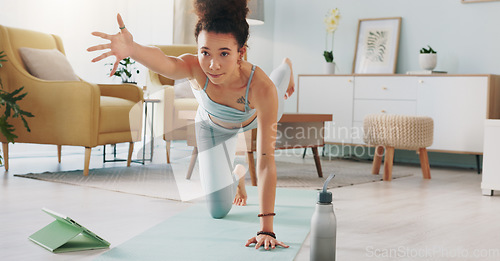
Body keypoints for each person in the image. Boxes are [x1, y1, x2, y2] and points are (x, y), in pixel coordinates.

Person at [87, 0, 294, 250]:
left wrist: (266, 229)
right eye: (205, 52)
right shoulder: (194, 67)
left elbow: (265, 160)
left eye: (224, 53)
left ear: (241, 52)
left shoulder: (261, 87)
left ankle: (286, 66)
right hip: (212, 128)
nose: (213, 65)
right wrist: (133, 49)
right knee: (218, 211)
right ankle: (236, 175)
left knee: (277, 88)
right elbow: (166, 62)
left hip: (251, 117)